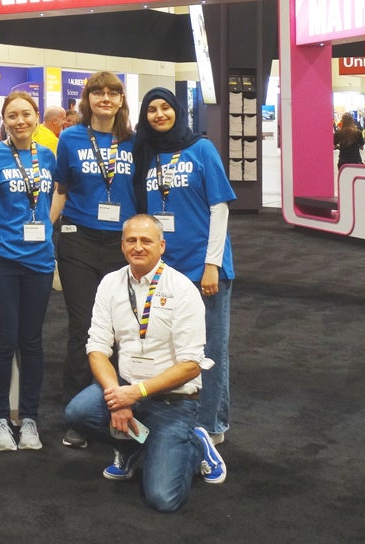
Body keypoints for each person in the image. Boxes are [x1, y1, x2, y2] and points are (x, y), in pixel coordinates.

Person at [64, 214, 226, 513]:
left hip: (173, 403)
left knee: (163, 499)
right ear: (122, 245)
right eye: (131, 240)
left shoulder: (182, 289)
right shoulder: (110, 284)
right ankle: (131, 448)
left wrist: (135, 392)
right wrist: (118, 397)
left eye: (146, 241)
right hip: (128, 393)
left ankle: (196, 445)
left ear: (161, 246)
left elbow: (191, 365)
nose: (138, 247)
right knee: (78, 411)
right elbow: (97, 348)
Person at [132, 87, 236, 444]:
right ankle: (175, 421)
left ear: (177, 110)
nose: (159, 114)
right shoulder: (146, 153)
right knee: (170, 346)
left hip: (203, 266)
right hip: (164, 268)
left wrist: (212, 264)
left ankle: (211, 426)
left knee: (209, 349)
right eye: (152, 110)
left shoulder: (201, 149)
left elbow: (219, 208)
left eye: (165, 107)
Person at [51, 71, 137, 449]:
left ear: (121, 99)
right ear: (87, 99)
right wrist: (43, 228)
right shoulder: (70, 138)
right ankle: (78, 410)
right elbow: (62, 188)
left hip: (123, 243)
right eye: (98, 92)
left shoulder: (136, 142)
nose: (105, 98)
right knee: (83, 325)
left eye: (112, 92)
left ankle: (118, 403)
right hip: (79, 239)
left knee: (123, 325)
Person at [0, 91, 57, 452]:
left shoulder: (49, 156)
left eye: (25, 114)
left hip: (39, 260)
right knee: (5, 341)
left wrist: (48, 226)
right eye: (12, 116)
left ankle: (31, 418)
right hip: (1, 259)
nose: (19, 121)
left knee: (33, 342)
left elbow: (58, 194)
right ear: (4, 121)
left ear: (36, 117)